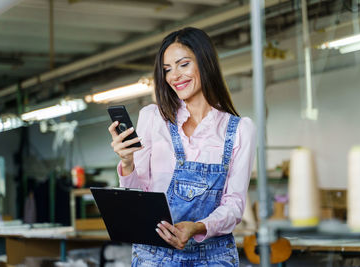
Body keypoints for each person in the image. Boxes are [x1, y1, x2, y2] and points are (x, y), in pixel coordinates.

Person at [108, 27, 256, 266]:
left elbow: (234, 205)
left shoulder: (239, 129)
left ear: (205, 62)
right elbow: (139, 194)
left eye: (183, 64)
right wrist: (127, 163)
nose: (174, 76)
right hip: (155, 257)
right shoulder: (153, 118)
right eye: (167, 69)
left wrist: (198, 227)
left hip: (213, 257)